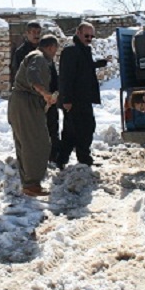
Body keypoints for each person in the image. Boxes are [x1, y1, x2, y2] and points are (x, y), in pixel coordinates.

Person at [8, 35, 60, 197]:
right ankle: (32, 183)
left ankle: (29, 183)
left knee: (26, 142)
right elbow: (33, 78)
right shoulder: (38, 58)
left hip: (22, 102)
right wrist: (45, 94)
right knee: (37, 142)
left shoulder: (36, 57)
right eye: (55, 50)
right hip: (26, 104)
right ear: (51, 47)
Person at [56, 22, 107, 168]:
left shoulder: (82, 50)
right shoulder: (71, 51)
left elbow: (84, 67)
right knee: (83, 129)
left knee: (74, 131)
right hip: (74, 100)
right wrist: (66, 99)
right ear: (78, 33)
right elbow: (66, 76)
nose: (89, 38)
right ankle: (81, 159)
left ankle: (65, 159)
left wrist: (100, 63)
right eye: (87, 35)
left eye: (92, 36)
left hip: (83, 99)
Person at [12, 20, 61, 166]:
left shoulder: (45, 51)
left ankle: (54, 157)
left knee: (52, 126)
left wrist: (55, 93)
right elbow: (22, 76)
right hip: (32, 98)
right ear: (26, 34)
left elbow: (52, 74)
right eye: (32, 32)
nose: (36, 35)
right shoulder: (22, 53)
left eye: (38, 32)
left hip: (49, 97)